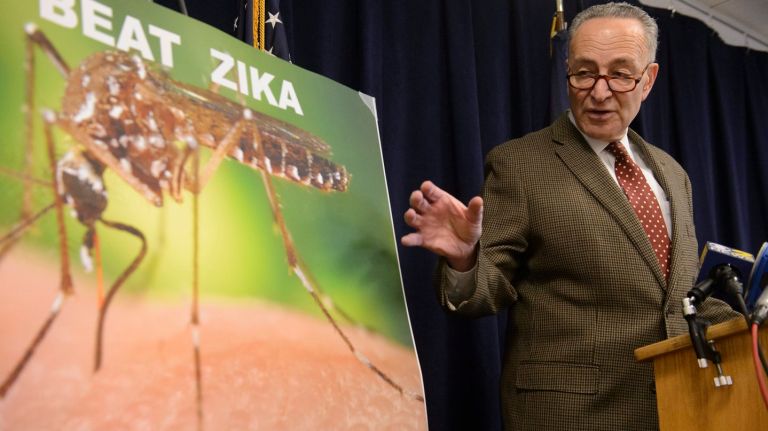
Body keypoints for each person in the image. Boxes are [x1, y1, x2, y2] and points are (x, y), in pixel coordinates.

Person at [401, 2, 739, 430]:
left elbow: (676, 297)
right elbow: (487, 290)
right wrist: (465, 257)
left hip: (677, 407)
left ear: (648, 80)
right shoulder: (521, 163)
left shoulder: (673, 173)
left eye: (619, 74)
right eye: (584, 72)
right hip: (570, 415)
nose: (599, 92)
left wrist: (751, 322)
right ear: (567, 70)